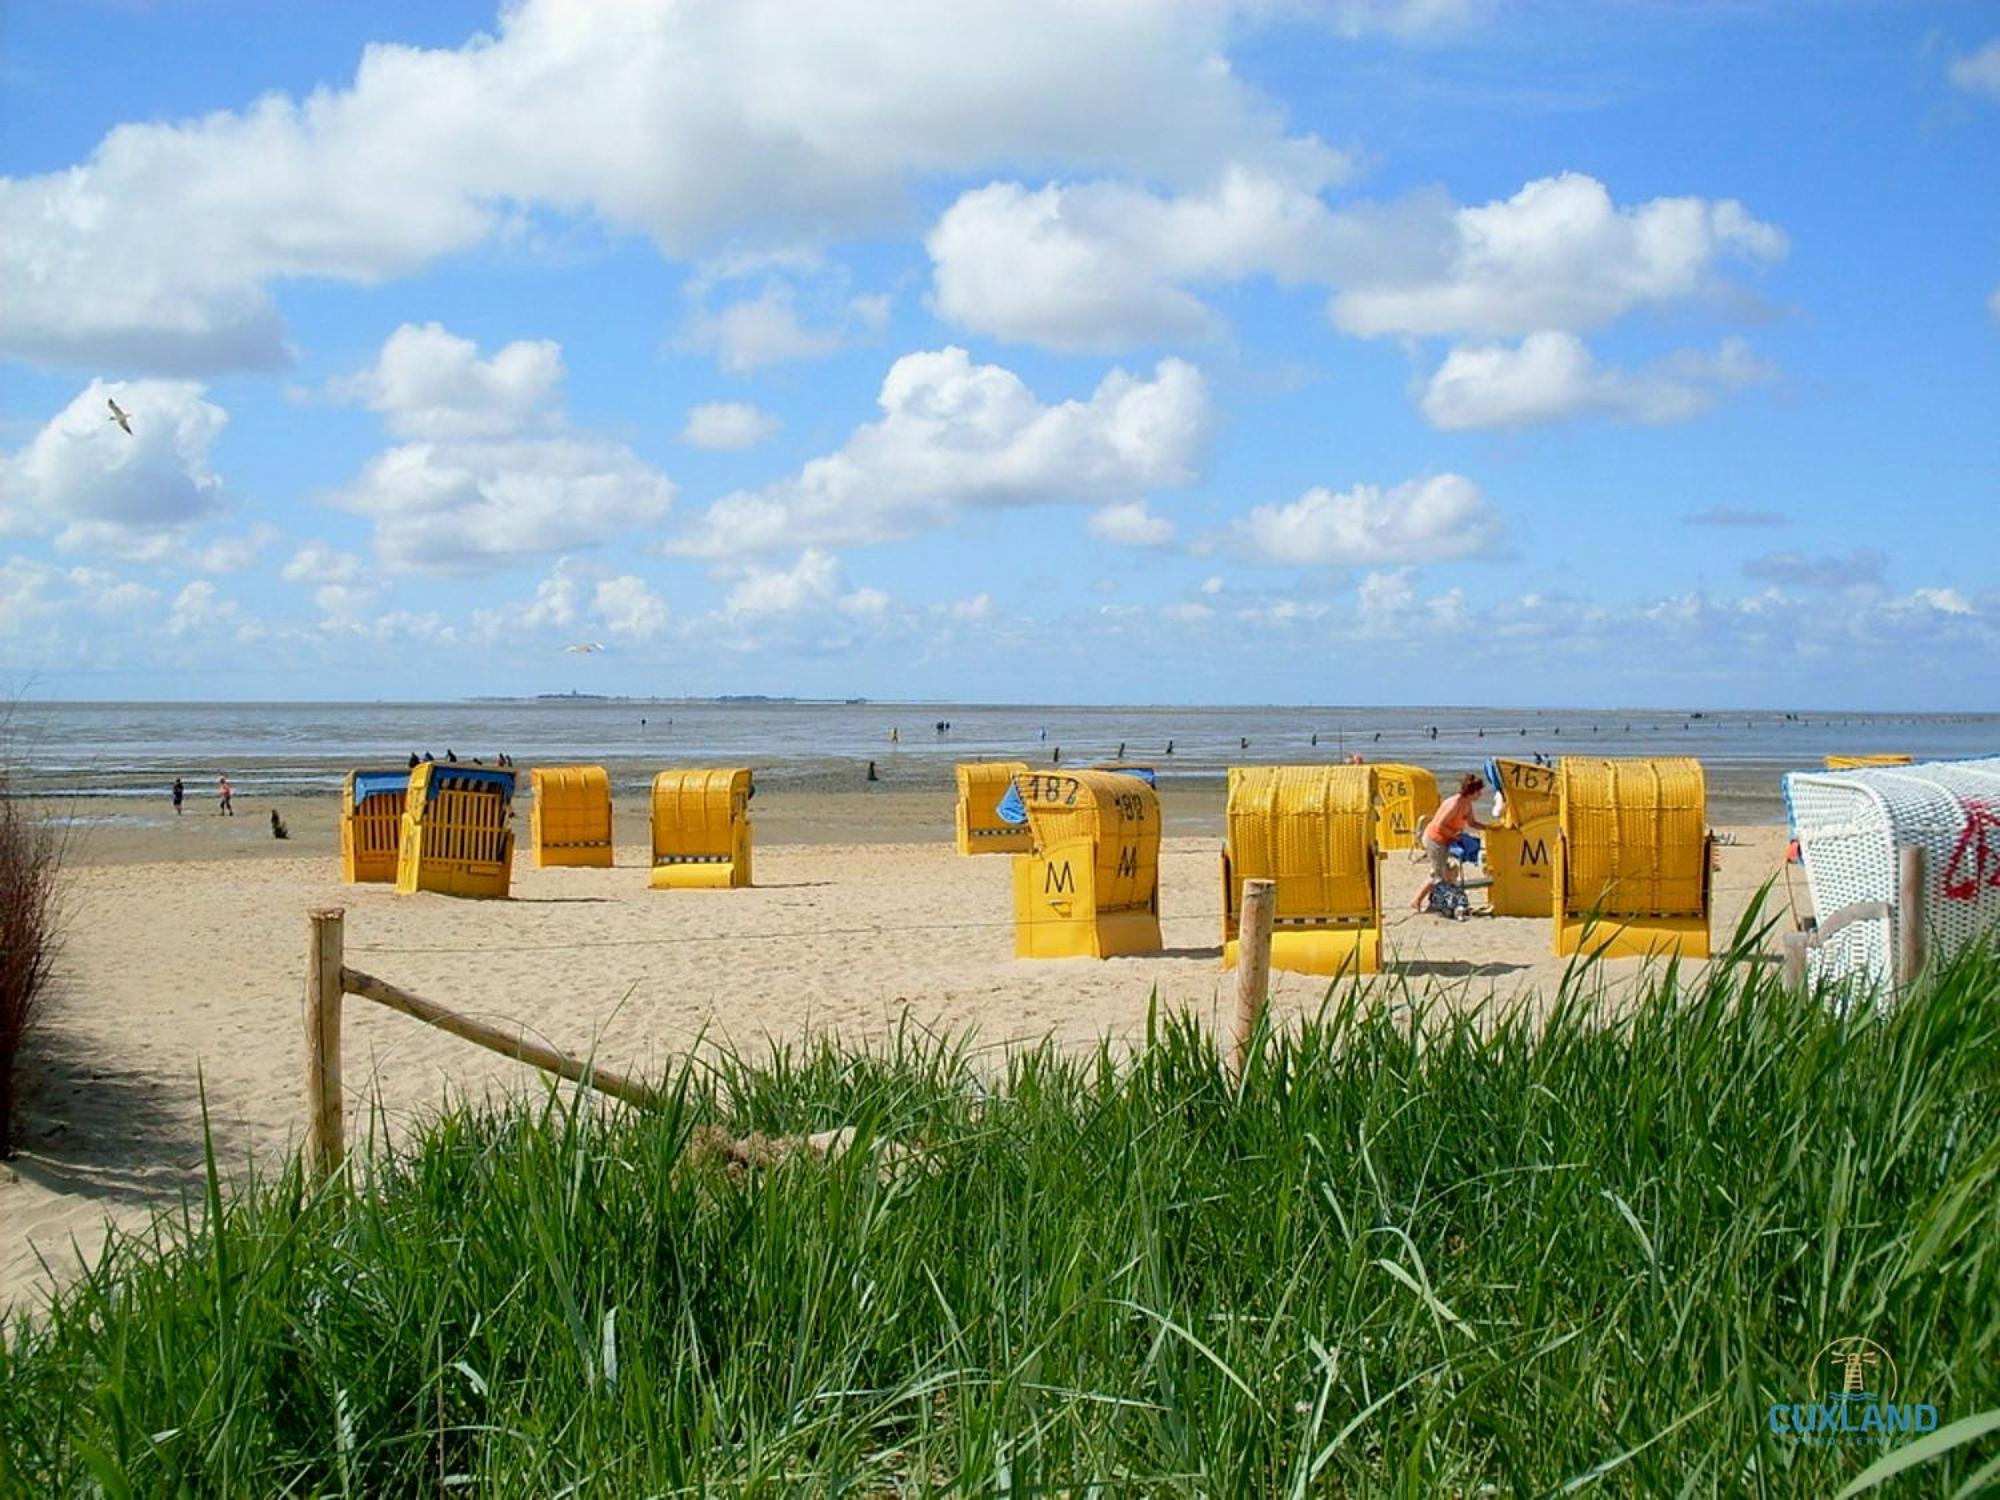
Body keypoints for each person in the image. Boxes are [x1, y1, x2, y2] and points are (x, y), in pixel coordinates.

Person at [1411, 773, 1487, 913]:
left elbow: (1472, 822)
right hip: (1435, 839)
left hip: (1447, 840)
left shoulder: (1467, 804)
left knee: (1449, 872)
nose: (1481, 794)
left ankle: (1434, 902)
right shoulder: (1454, 803)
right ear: (1472, 791)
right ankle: (1416, 901)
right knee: (1437, 874)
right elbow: (1440, 825)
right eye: (1479, 791)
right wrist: (1455, 836)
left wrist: (1489, 827)